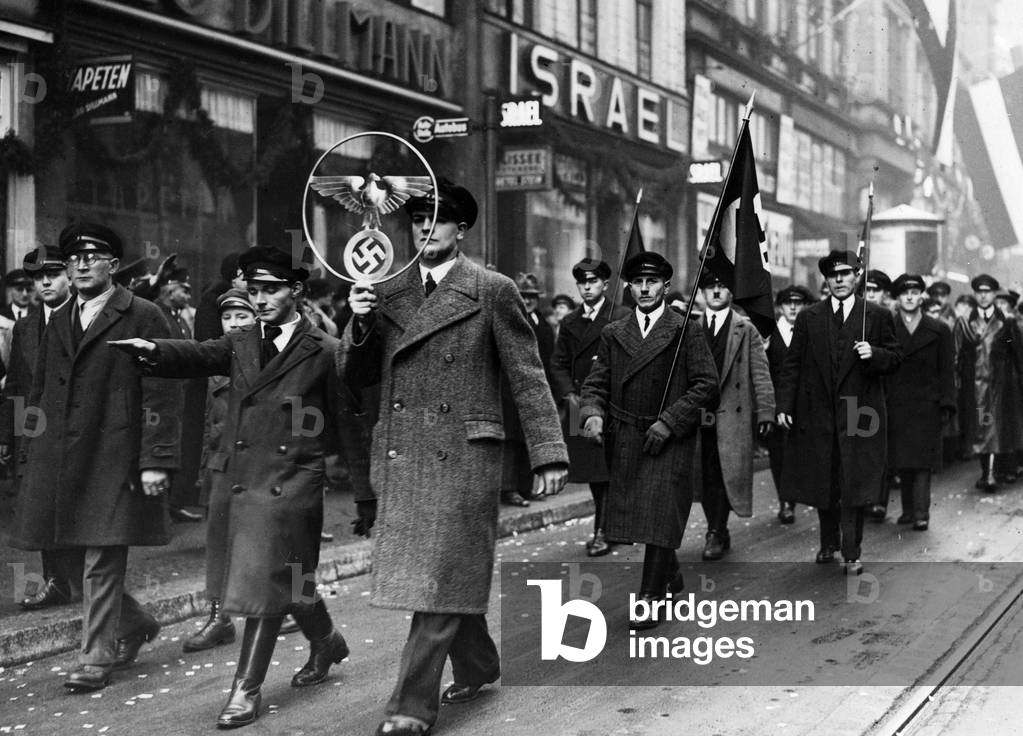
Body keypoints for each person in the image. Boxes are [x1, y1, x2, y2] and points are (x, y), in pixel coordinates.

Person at [338, 178, 568, 736]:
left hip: (462, 457)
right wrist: (361, 322)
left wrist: (548, 453)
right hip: (403, 454)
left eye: (436, 219)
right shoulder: (385, 291)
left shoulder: (491, 289)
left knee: (438, 578)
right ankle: (479, 662)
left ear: (460, 228)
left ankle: (409, 708)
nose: (424, 228)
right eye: (416, 218)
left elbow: (528, 376)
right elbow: (357, 377)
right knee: (446, 575)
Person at [111, 244, 372, 728]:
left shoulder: (324, 351)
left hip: (293, 483)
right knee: (292, 582)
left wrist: (365, 495)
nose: (261, 298)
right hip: (240, 479)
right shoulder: (240, 341)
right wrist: (154, 351)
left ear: (295, 291)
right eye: (254, 291)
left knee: (264, 583)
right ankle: (327, 641)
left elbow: (351, 426)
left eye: (271, 289)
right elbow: (198, 354)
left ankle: (244, 690)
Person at [11, 222, 182, 692]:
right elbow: (40, 391)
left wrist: (155, 459)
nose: (82, 265)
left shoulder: (143, 314)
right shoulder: (58, 320)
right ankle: (137, 622)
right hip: (58, 456)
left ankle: (95, 656)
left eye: (94, 257)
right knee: (63, 554)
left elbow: (162, 393)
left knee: (101, 556)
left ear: (112, 265)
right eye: (75, 260)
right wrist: (29, 454)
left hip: (115, 455)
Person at [579, 251, 719, 628]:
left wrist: (671, 422)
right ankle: (670, 577)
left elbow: (706, 384)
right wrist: (591, 412)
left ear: (666, 286)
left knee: (658, 515)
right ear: (628, 287)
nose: (644, 288)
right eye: (638, 282)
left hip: (668, 439)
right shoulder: (613, 332)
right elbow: (597, 382)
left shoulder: (685, 329)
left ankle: (650, 597)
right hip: (626, 437)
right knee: (640, 519)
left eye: (652, 282)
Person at [776, 250, 901, 576]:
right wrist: (784, 406)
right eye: (834, 275)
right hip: (818, 414)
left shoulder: (875, 315)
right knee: (824, 481)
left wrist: (874, 353)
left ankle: (851, 551)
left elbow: (895, 359)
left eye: (846, 274)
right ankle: (828, 542)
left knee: (853, 483)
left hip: (859, 413)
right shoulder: (809, 317)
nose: (840, 280)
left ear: (857, 276)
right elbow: (793, 366)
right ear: (826, 280)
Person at [1, 246, 78, 609]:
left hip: (80, 430)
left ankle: (94, 589)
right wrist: (11, 439)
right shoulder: (27, 326)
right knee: (42, 508)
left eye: (53, 274)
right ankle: (56, 581)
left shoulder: (85, 316)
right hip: (38, 432)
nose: (45, 282)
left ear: (69, 275)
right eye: (37, 277)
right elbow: (17, 386)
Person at [179, 288, 255, 654]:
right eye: (229, 318)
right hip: (223, 466)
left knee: (288, 544)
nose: (235, 324)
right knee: (218, 545)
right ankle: (218, 617)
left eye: (243, 316)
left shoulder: (274, 357)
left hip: (267, 467)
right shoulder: (216, 363)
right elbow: (207, 424)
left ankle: (298, 604)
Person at [549, 258, 630, 556]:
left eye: (593, 282)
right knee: (596, 471)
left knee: (611, 469)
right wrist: (569, 393)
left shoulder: (621, 316)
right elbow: (558, 363)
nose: (587, 287)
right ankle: (607, 528)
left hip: (615, 404)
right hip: (581, 406)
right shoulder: (570, 322)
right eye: (582, 282)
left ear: (605, 285)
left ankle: (605, 530)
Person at [696, 272, 775, 559]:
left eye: (722, 285)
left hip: (732, 413)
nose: (716, 292)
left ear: (731, 292)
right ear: (702, 292)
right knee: (703, 475)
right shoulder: (691, 327)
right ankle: (716, 527)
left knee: (723, 473)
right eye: (710, 287)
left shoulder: (745, 329)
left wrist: (766, 411)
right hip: (697, 414)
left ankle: (716, 530)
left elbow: (760, 372)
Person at [887, 274, 955, 531]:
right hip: (897, 405)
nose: (910, 297)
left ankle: (921, 513)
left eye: (915, 292)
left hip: (928, 405)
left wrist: (947, 403)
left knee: (923, 461)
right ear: (898, 297)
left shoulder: (939, 330)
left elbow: (947, 370)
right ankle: (907, 510)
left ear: (921, 297)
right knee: (903, 459)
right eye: (905, 293)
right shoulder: (888, 328)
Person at [953, 274, 1023, 491]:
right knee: (980, 428)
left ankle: (991, 474)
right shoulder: (965, 323)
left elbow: (1018, 355)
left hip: (1000, 386)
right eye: (980, 292)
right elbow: (957, 355)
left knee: (994, 427)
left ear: (994, 294)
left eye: (988, 292)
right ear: (975, 294)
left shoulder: (1006, 322)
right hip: (973, 386)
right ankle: (987, 471)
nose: (983, 296)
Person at [500, 272, 556, 507]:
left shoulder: (542, 323)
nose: (527, 300)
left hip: (534, 391)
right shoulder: (509, 318)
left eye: (532, 296)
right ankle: (509, 489)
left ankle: (525, 487)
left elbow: (550, 358)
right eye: (523, 295)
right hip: (510, 391)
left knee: (528, 441)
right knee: (511, 441)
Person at [155, 267, 205, 523]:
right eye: (183, 290)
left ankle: (171, 503)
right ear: (168, 289)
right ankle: (159, 508)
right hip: (162, 393)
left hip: (179, 392)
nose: (188, 295)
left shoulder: (178, 317)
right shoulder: (158, 315)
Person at [765, 285, 813, 524]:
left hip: (804, 402)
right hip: (776, 402)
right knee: (778, 453)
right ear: (779, 307)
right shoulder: (770, 334)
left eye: (798, 303)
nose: (793, 308)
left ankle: (800, 493)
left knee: (802, 451)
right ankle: (785, 501)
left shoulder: (811, 331)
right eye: (787, 303)